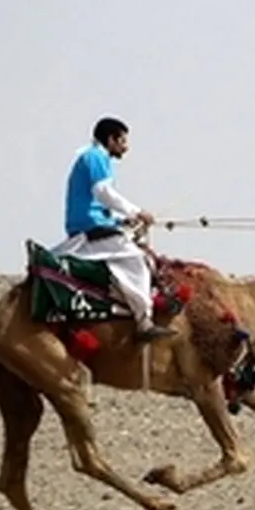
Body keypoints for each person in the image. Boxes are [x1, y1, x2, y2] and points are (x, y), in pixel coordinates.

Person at [64, 116, 173, 342]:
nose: (126, 146)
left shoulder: (95, 158)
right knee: (139, 261)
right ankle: (144, 322)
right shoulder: (95, 157)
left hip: (97, 224)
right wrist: (136, 212)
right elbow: (104, 194)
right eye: (122, 140)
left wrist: (121, 221)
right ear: (111, 140)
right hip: (90, 228)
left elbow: (99, 204)